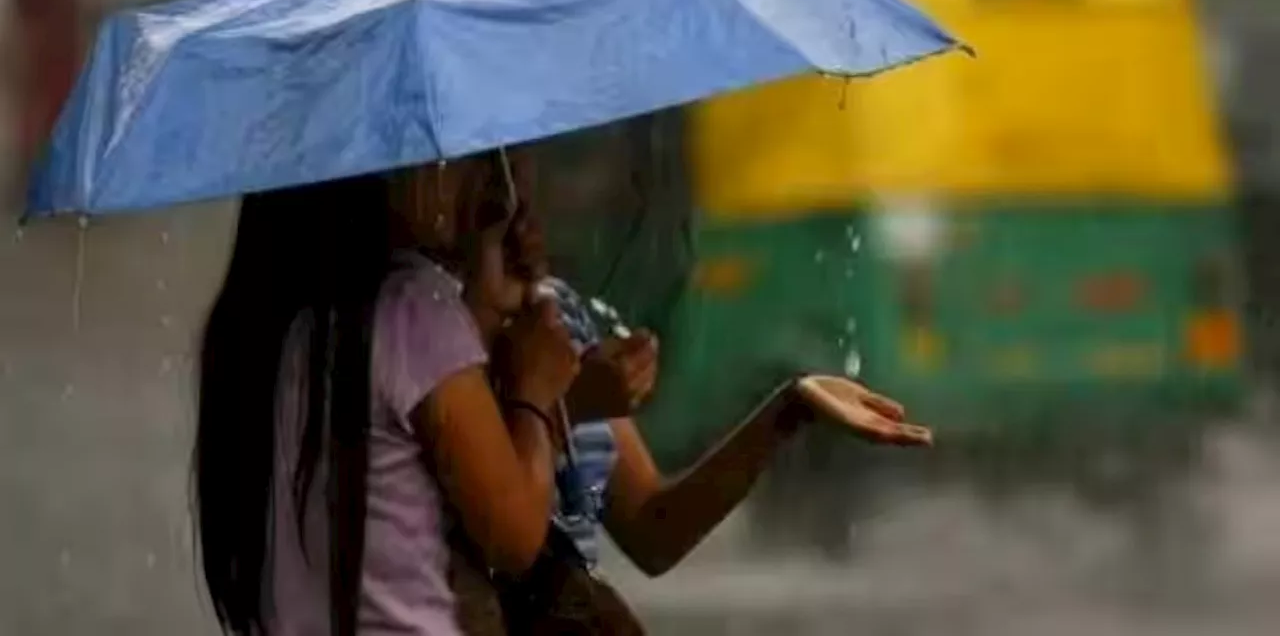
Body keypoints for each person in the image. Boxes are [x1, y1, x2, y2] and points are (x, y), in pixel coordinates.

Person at [499, 149, 933, 582]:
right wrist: (566, 406)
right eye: (502, 177)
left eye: (525, 171)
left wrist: (790, 407)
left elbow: (654, 532)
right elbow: (504, 546)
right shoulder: (446, 338)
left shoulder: (557, 317)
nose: (527, 206)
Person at [194, 154, 580, 636]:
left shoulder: (255, 328)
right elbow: (515, 536)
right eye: (434, 162)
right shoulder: (412, 309)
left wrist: (481, 297)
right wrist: (533, 394)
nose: (449, 173)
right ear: (380, 173)